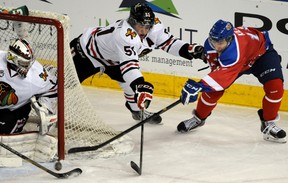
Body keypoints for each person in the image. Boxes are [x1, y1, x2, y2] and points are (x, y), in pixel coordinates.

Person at [70, 3, 204, 124]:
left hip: (114, 59)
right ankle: (51, 115)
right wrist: (140, 84)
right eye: (141, 26)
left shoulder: (155, 27)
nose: (144, 31)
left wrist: (189, 50)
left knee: (129, 84)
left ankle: (136, 112)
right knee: (64, 85)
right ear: (133, 22)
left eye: (147, 27)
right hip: (85, 53)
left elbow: (169, 43)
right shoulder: (125, 35)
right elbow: (130, 66)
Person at [177, 19, 286, 143]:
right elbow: (217, 76)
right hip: (239, 61)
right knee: (214, 91)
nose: (216, 46)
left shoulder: (236, 49)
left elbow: (223, 76)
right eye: (213, 41)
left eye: (220, 42)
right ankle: (198, 118)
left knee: (275, 87)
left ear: (229, 39)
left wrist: (199, 85)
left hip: (261, 55)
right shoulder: (211, 46)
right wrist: (204, 85)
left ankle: (268, 123)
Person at [0, 38, 57, 135]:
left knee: (3, 132)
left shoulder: (37, 77)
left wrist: (45, 107)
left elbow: (53, 87)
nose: (27, 67)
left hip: (14, 111)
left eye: (28, 63)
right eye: (23, 64)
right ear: (12, 59)